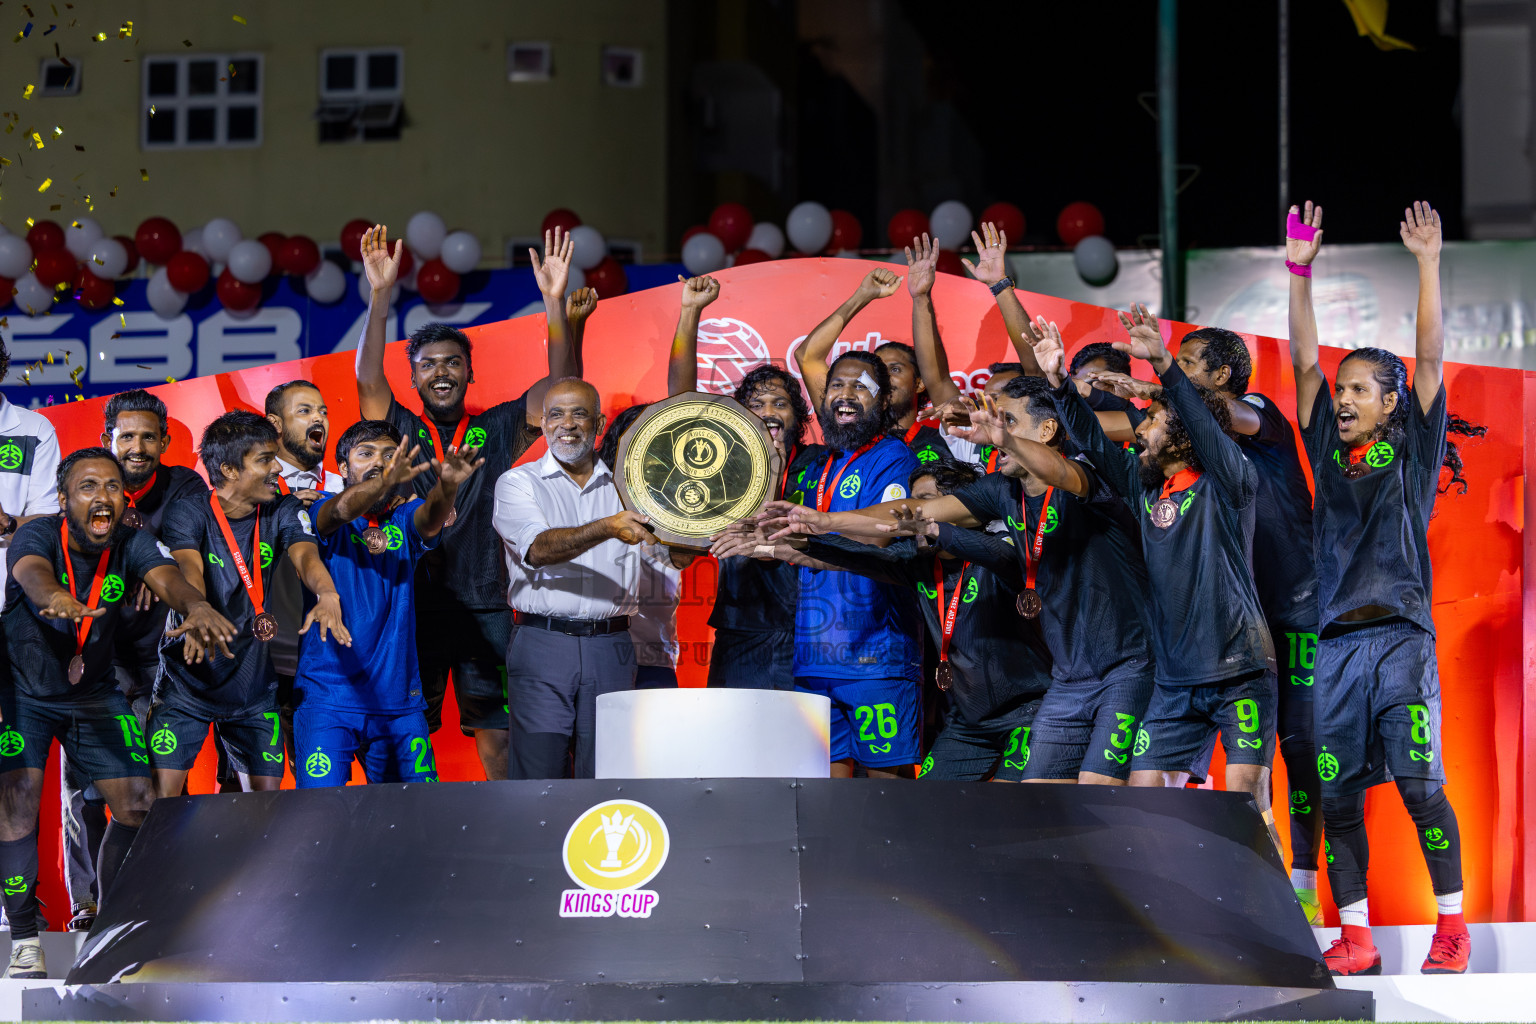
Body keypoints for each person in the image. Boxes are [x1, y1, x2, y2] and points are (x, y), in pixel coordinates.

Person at [772, 374, 1155, 784]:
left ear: (1047, 430)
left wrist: (1006, 441)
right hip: (1068, 679)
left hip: (1126, 668)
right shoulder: (1000, 490)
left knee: (1099, 795)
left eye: (1008, 420)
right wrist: (826, 521)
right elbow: (914, 513)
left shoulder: (1088, 476)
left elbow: (1059, 473)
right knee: (1041, 806)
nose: (995, 432)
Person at [1288, 201, 1483, 976]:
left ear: (1390, 401)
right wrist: (1299, 272)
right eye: (1339, 389)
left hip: (1400, 642)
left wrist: (1430, 264)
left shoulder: (1412, 451)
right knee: (1337, 804)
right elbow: (1304, 362)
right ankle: (1358, 938)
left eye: (1358, 388)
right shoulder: (1326, 452)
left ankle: (1452, 927)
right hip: (1335, 650)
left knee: (1417, 786)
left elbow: (1429, 359)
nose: (1340, 397)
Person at [1087, 325, 1324, 920]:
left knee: (1291, 757)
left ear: (1220, 378)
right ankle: (1182, 912)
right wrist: (1070, 390)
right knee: (1155, 797)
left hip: (1286, 614)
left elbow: (1210, 419)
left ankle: (1293, 899)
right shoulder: (1156, 480)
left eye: (1195, 366)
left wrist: (1159, 376)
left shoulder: (1254, 422)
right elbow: (1098, 442)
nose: (1182, 380)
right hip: (1195, 653)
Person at [1038, 310, 1281, 848]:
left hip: (1238, 669)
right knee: (1148, 812)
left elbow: (1200, 420)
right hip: (1174, 682)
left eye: (1151, 421)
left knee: (1247, 812)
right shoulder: (1146, 487)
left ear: (1184, 436)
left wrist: (1166, 365)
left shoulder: (1230, 478)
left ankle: (1277, 927)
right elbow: (1093, 445)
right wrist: (1057, 383)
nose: (1140, 429)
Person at [0, 448, 235, 978]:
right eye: (87, 487)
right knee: (17, 807)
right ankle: (23, 940)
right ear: (63, 500)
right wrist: (53, 594)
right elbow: (32, 571)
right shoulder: (39, 535)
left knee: (139, 804)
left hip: (92, 692)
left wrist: (194, 605)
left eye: (110, 487)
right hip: (22, 690)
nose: (102, 496)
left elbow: (166, 575)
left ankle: (109, 926)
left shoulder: (130, 541)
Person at [355, 223, 578, 780]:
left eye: (452, 362)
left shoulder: (498, 427)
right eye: (427, 364)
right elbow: (366, 377)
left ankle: (503, 844)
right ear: (413, 377)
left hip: (488, 607)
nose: (441, 372)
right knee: (409, 737)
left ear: (469, 372)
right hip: (411, 606)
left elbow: (561, 388)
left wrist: (554, 304)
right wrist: (380, 296)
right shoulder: (400, 427)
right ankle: (411, 843)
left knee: (499, 742)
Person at [738, 461, 1051, 781]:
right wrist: (790, 542)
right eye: (913, 502)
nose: (912, 514)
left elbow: (998, 554)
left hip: (1028, 714)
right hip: (969, 723)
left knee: (1009, 809)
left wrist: (934, 528)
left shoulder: (1003, 552)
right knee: (923, 813)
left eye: (926, 503)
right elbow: (860, 556)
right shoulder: (919, 563)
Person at [54, 389, 206, 933]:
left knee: (162, 786)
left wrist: (153, 562)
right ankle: (88, 901)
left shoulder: (183, 486)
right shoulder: (85, 486)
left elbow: (185, 547)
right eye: (125, 436)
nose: (136, 447)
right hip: (95, 661)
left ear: (164, 442)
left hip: (160, 661)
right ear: (107, 439)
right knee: (89, 789)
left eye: (147, 437)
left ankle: (158, 894)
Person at [149, 411, 351, 797]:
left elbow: (307, 556)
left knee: (265, 810)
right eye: (264, 460)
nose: (277, 468)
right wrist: (197, 609)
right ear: (227, 469)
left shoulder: (282, 509)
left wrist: (327, 594)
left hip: (253, 688)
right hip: (188, 680)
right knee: (159, 805)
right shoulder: (188, 511)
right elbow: (188, 568)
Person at [292, 422, 479, 787]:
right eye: (366, 454)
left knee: (417, 819)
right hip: (328, 699)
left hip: (399, 704)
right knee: (320, 818)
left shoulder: (403, 519)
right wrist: (384, 479)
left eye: (390, 455)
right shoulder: (319, 514)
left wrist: (449, 486)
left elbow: (430, 518)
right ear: (343, 469)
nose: (380, 463)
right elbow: (343, 509)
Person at [765, 352, 923, 778]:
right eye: (836, 385)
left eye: (860, 386)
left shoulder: (893, 457)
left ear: (884, 400)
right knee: (824, 789)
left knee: (885, 791)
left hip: (876, 656)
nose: (846, 394)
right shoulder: (820, 462)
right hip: (814, 656)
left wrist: (812, 532)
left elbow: (878, 536)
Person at [493, 378, 653, 779]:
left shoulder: (631, 486)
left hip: (612, 645)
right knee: (538, 774)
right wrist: (609, 527)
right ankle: (534, 844)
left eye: (579, 413)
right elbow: (538, 550)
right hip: (542, 644)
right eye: (557, 414)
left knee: (608, 773)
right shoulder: (517, 482)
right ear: (542, 423)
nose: (568, 423)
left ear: (598, 423)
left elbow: (676, 553)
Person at [794, 267, 948, 463]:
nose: (883, 378)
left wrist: (921, 297)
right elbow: (808, 357)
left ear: (919, 383)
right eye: (875, 374)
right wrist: (863, 295)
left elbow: (939, 379)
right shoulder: (850, 426)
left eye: (894, 369)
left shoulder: (944, 438)